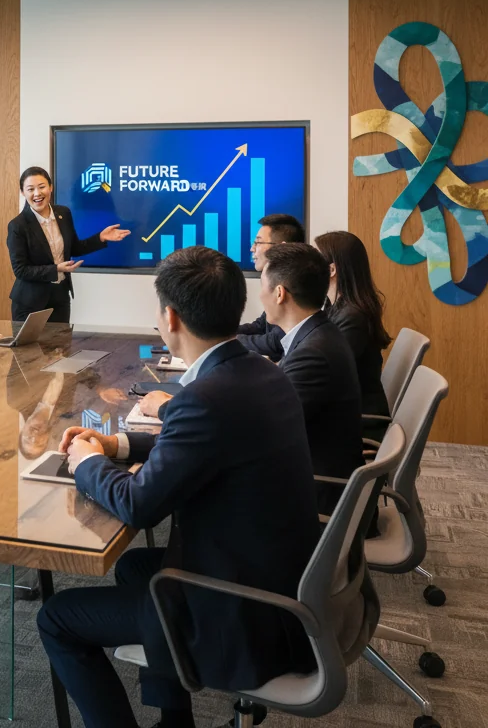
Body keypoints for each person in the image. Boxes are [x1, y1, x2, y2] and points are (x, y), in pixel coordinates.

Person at [37, 246, 318, 728]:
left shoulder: (206, 397)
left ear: (170, 317)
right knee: (135, 567)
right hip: (278, 577)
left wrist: (86, 462)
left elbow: (138, 505)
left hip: (242, 609)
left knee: (57, 618)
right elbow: (203, 442)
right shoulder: (259, 372)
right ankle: (174, 720)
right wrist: (116, 445)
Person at [259, 242, 364, 514]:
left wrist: (171, 409)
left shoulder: (313, 353)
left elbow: (261, 427)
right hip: (312, 475)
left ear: (280, 293)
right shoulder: (317, 333)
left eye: (262, 286)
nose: (260, 296)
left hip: (316, 500)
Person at [7, 166, 130, 324]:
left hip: (60, 296)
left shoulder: (63, 213)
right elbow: (20, 270)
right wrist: (57, 269)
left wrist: (100, 237)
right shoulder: (18, 225)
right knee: (32, 342)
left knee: (60, 341)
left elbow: (75, 248)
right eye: (30, 189)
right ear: (23, 192)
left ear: (50, 188)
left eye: (42, 187)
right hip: (30, 302)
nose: (37, 193)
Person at [315, 230, 393, 418]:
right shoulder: (335, 305)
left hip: (360, 419)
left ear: (332, 270)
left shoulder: (353, 316)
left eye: (314, 261)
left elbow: (328, 371)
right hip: (346, 409)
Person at [237, 212, 305, 357]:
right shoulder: (277, 281)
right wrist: (221, 333)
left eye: (258, 242)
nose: (252, 248)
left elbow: (275, 342)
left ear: (281, 248)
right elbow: (260, 326)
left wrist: (224, 340)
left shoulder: (295, 285)